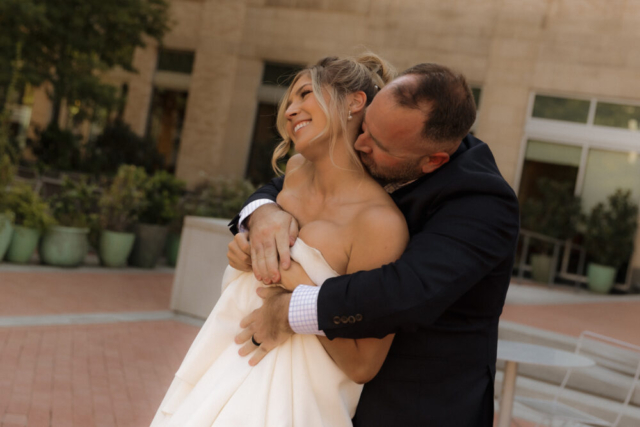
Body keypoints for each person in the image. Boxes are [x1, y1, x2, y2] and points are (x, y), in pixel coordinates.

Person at [228, 63, 520, 426]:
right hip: (324, 389)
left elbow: (405, 292)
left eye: (378, 144)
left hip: (414, 407)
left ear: (434, 161)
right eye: (365, 126)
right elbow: (302, 181)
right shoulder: (386, 138)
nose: (360, 143)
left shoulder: (483, 204)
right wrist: (261, 214)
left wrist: (290, 305)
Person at [151, 54, 409, 427]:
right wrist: (247, 249)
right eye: (290, 101)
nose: (291, 110)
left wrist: (284, 280)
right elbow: (257, 253)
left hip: (297, 401)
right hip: (231, 358)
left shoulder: (379, 223)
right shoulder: (295, 172)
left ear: (355, 102)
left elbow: (362, 364)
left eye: (305, 94)